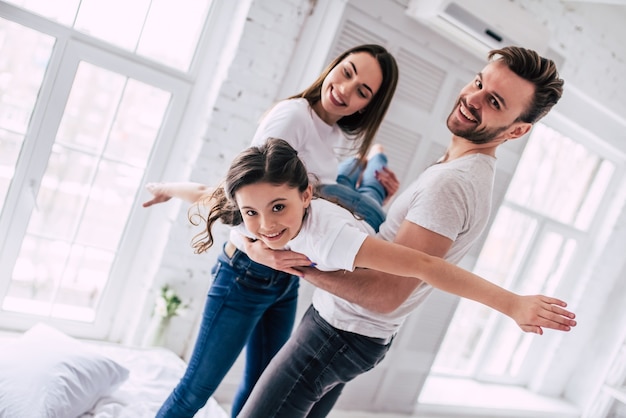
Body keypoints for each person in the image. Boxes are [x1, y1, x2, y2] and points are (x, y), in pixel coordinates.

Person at [240, 46, 570, 417]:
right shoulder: (460, 169)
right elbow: (403, 261)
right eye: (478, 82)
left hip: (340, 332)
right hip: (352, 334)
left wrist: (295, 265)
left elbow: (387, 293)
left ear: (518, 130)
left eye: (493, 101)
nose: (472, 98)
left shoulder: (453, 183)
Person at [155, 137, 576, 418]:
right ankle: (375, 157)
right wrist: (167, 188)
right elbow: (208, 197)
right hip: (340, 311)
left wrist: (512, 303)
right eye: (252, 213)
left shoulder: (335, 239)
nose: (265, 224)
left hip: (345, 332)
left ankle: (374, 160)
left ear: (305, 195)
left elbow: (427, 266)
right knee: (371, 193)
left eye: (278, 208)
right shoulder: (257, 209)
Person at [144, 44, 399, 418]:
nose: (346, 89)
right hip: (246, 275)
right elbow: (242, 196)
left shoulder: (329, 134)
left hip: (285, 279)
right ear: (333, 67)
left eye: (362, 90)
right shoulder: (293, 116)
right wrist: (252, 249)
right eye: (347, 72)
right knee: (195, 390)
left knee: (260, 391)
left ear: (367, 106)